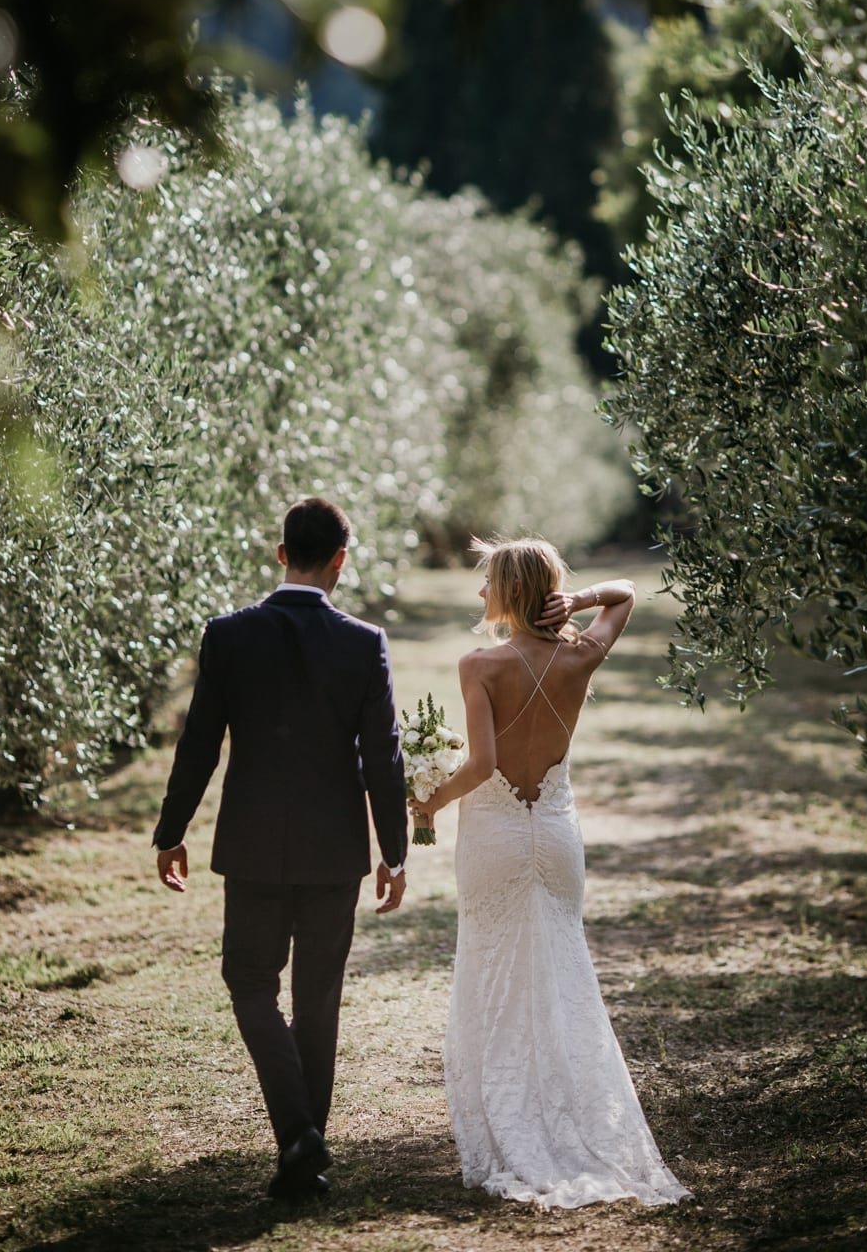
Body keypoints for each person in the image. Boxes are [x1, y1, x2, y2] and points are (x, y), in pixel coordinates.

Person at [411, 536, 689, 1209]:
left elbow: (482, 766)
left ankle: (516, 1116)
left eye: (489, 582)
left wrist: (427, 802)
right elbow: (625, 594)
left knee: (496, 972)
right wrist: (580, 599)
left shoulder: (479, 664)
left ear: (512, 591)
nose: (480, 592)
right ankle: (571, 1110)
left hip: (497, 836)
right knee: (564, 972)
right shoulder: (582, 654)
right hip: (558, 835)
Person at [153, 496, 409, 1204]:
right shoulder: (364, 643)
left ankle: (300, 1142)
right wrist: (395, 852)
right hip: (335, 851)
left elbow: (199, 743)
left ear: (281, 554)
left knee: (249, 984)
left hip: (254, 845)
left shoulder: (229, 635)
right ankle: (304, 1145)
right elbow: (383, 758)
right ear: (340, 561)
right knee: (317, 998)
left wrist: (171, 831)